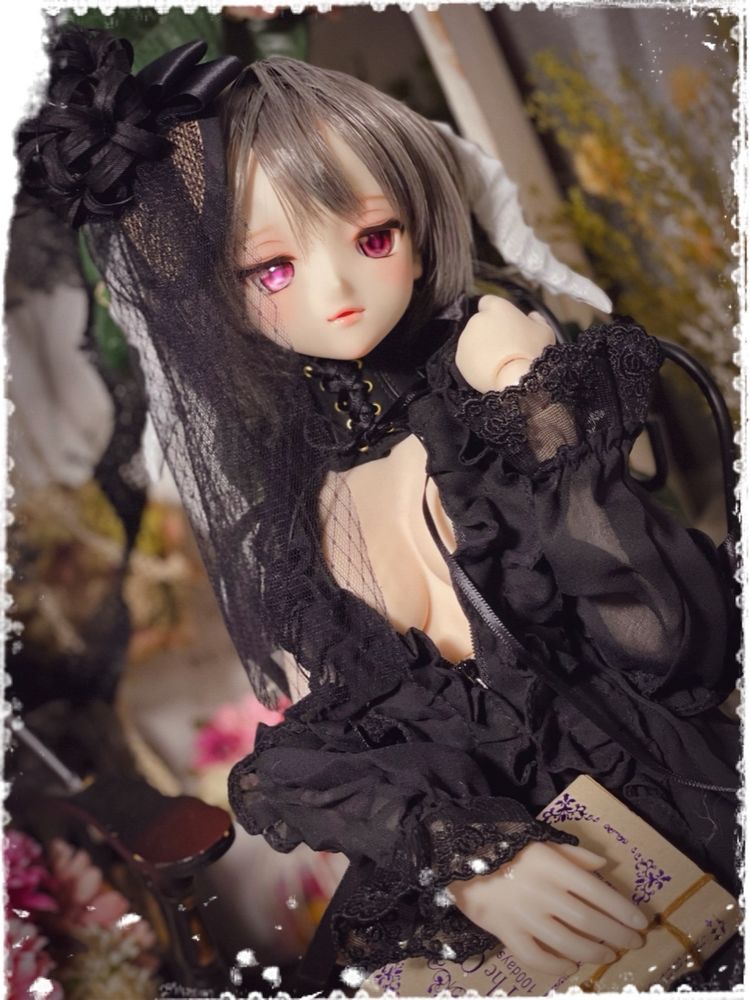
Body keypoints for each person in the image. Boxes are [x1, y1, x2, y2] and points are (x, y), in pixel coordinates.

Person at [18, 27, 740, 990]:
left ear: (418, 228)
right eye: (271, 269)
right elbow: (322, 750)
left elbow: (676, 648)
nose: (339, 290)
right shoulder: (299, 504)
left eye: (373, 238)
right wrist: (461, 852)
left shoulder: (493, 407)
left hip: (666, 815)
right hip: (501, 900)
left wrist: (541, 411)